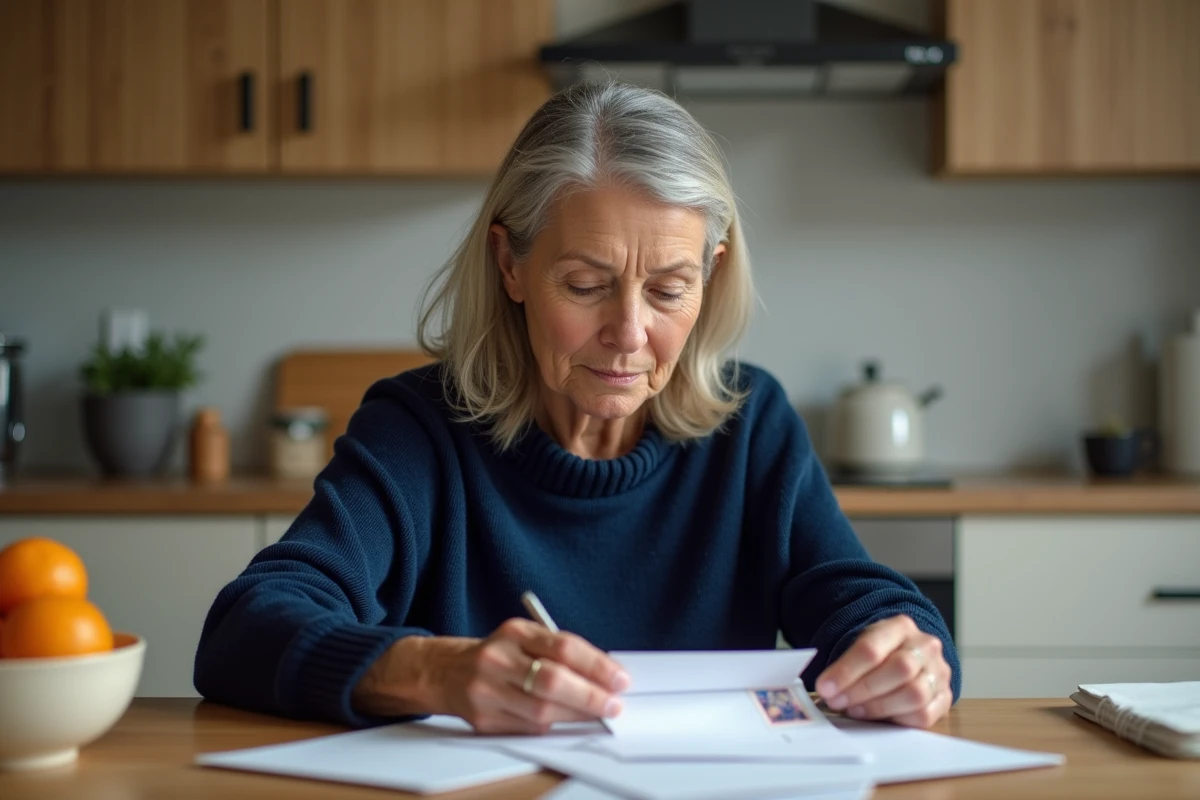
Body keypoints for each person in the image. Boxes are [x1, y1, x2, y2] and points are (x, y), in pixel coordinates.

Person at [194, 81, 960, 734]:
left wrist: (909, 651)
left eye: (668, 289)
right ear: (510, 264)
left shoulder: (749, 421)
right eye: (586, 285)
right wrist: (433, 670)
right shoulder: (419, 431)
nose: (629, 335)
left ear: (711, 276)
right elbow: (244, 629)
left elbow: (856, 592)